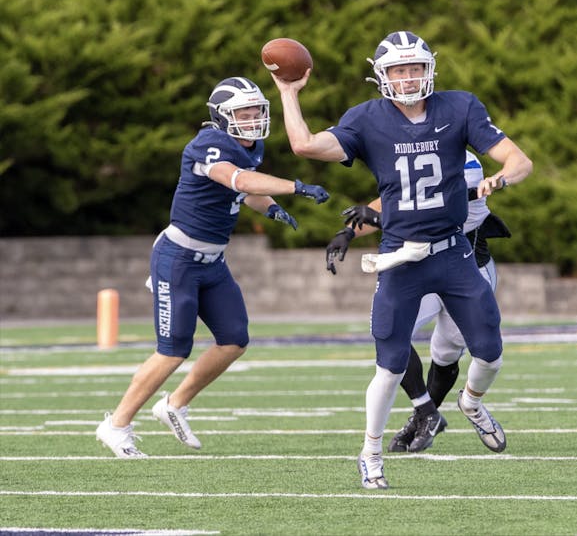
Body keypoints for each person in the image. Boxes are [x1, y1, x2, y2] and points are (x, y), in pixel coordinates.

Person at [272, 30, 533, 489]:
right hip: (400, 256)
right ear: (382, 76)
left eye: (415, 68)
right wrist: (288, 94)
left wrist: (502, 180)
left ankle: (470, 403)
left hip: (454, 250)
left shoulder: (459, 107)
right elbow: (305, 146)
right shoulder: (367, 119)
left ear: (429, 69)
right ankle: (370, 450)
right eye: (398, 69)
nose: (408, 78)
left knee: (490, 354)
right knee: (389, 364)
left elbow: (519, 160)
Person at [95, 76, 330, 458]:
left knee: (234, 339)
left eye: (256, 110)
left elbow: (245, 190)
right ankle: (116, 424)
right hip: (179, 259)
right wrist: (296, 187)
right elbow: (234, 177)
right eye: (243, 112)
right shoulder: (209, 144)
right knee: (173, 350)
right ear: (222, 117)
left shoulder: (251, 145)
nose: (253, 118)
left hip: (213, 261)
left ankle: (174, 404)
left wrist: (270, 207)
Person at [327, 150, 512, 454]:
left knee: (450, 351)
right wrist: (349, 230)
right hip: (420, 266)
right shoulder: (423, 152)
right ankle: (426, 413)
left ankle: (469, 404)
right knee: (392, 334)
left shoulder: (466, 165)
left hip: (466, 268)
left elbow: (428, 210)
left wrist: (375, 219)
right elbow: (398, 198)